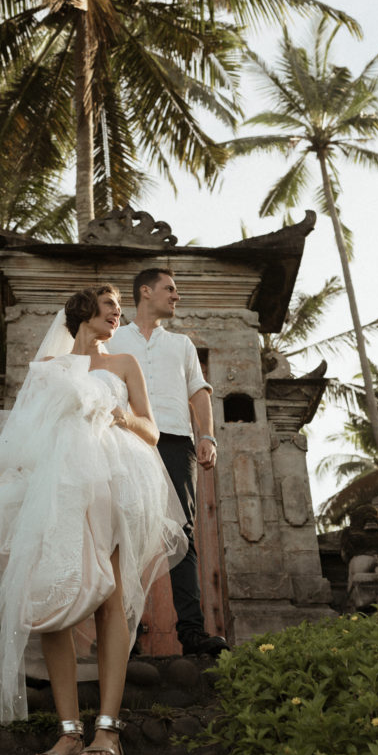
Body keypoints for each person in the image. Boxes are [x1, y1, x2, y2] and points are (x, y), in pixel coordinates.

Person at [0, 285, 186, 755]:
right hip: (55, 484)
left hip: (112, 480)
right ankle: (68, 731)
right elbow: (25, 432)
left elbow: (154, 430)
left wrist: (119, 415)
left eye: (119, 310)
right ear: (83, 313)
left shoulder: (122, 365)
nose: (116, 317)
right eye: (109, 309)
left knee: (112, 600)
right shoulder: (47, 371)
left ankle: (108, 729)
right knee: (49, 593)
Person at [109, 267, 229, 658]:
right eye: (170, 289)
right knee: (123, 533)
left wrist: (207, 436)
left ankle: (192, 632)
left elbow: (199, 392)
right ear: (145, 291)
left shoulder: (181, 345)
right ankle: (123, 635)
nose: (176, 297)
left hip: (177, 442)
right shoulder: (114, 338)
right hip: (126, 441)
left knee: (183, 533)